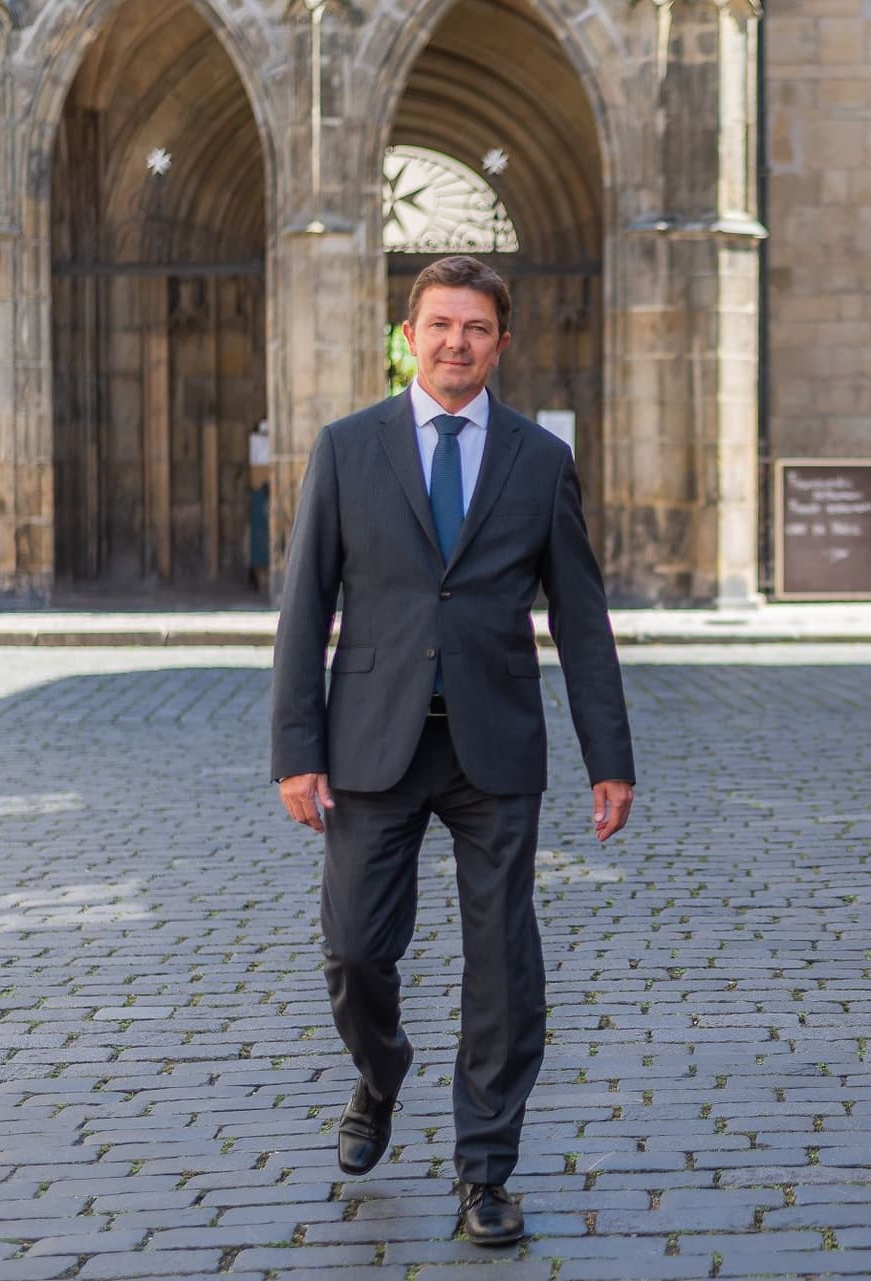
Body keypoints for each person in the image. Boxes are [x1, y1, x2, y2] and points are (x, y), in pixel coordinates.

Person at [270, 255, 635, 1249]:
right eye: (438, 326)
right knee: (354, 949)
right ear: (408, 334)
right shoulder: (347, 450)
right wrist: (296, 750)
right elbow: (305, 608)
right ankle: (380, 1076)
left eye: (475, 328)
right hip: (370, 745)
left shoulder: (537, 459)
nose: (455, 343)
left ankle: (486, 1170)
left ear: (500, 344)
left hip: (494, 747)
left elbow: (583, 620)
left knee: (502, 963)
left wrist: (611, 756)